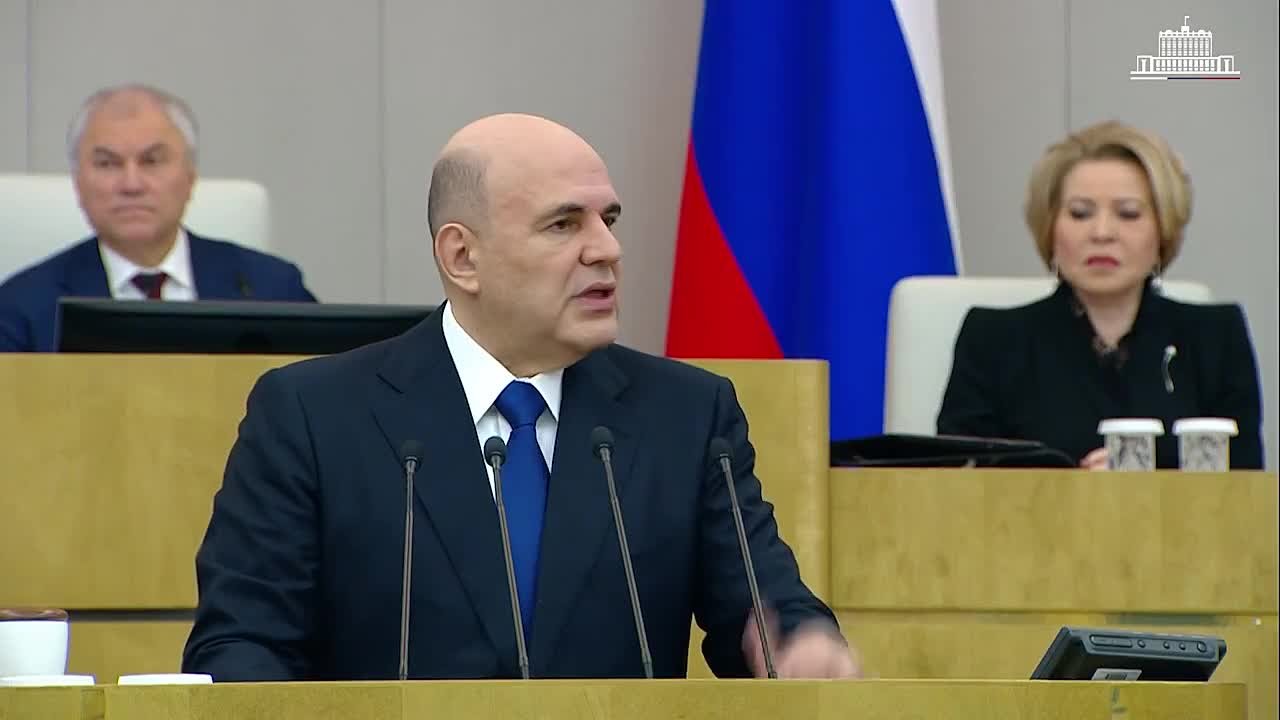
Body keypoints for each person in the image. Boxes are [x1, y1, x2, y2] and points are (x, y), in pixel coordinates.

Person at [182, 113, 859, 680]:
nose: (606, 249)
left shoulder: (685, 414)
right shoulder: (313, 416)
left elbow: (765, 606)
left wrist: (800, 648)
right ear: (462, 257)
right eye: (564, 224)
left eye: (609, 219)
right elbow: (241, 645)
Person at [937, 120, 1263, 470]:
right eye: (1080, 213)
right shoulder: (993, 341)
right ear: (1049, 229)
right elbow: (958, 479)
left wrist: (1152, 476)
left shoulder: (1215, 338)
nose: (1102, 232)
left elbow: (1243, 477)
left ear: (1163, 231)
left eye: (1128, 214)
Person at [0, 84, 316, 352]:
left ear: (190, 177)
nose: (131, 184)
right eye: (108, 164)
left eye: (152, 161)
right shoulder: (21, 306)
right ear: (78, 183)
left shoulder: (273, 288)